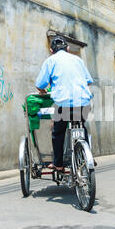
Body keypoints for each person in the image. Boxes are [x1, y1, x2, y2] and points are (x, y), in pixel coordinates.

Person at [35, 36, 94, 171]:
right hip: (83, 102)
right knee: (81, 126)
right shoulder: (78, 60)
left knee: (58, 132)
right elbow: (89, 81)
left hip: (64, 104)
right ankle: (87, 155)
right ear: (67, 48)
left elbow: (40, 84)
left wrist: (43, 91)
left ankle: (59, 164)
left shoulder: (50, 61)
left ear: (51, 50)